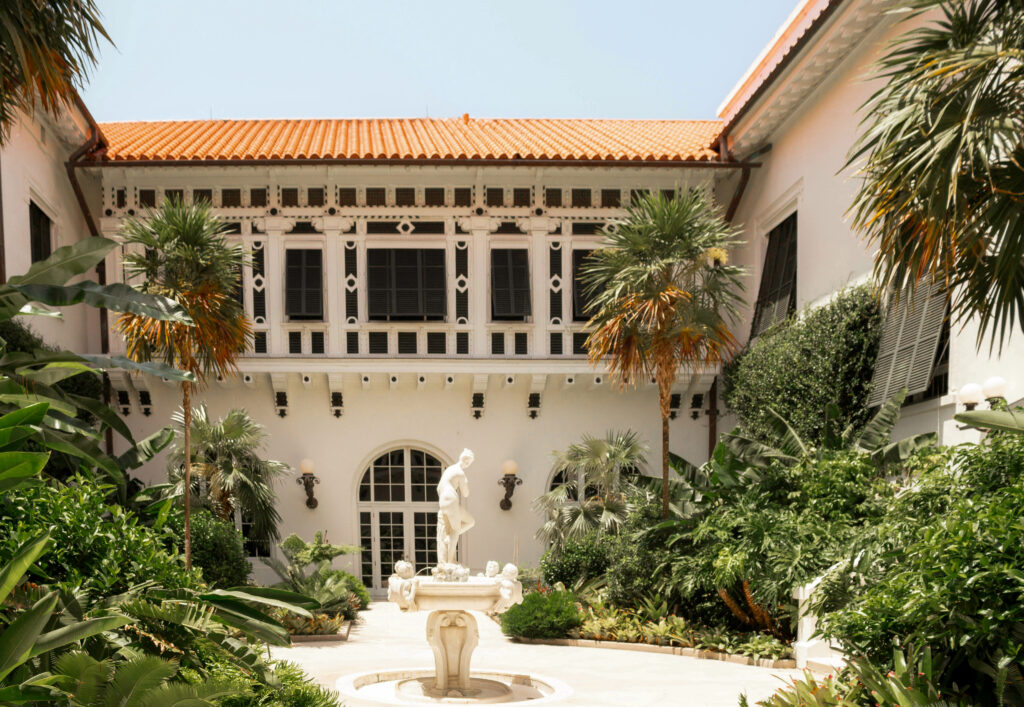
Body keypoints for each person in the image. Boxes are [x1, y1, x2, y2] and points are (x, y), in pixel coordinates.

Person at [436, 449, 475, 566]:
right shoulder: (460, 473)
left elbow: (438, 488)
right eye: (469, 463)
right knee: (457, 529)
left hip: (443, 501)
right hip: (452, 500)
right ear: (466, 461)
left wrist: (445, 500)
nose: (468, 465)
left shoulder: (449, 469)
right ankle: (451, 561)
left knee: (470, 522)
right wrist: (466, 482)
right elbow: (466, 493)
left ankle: (449, 538)